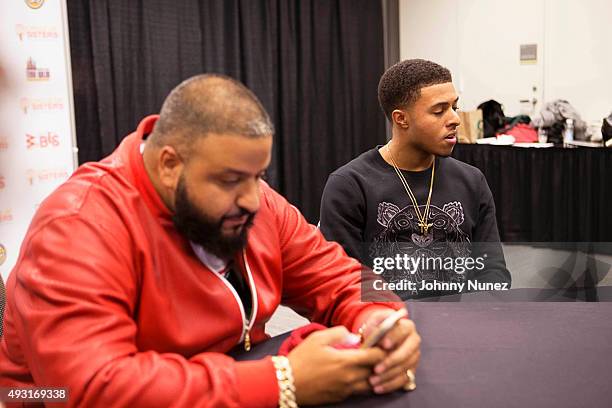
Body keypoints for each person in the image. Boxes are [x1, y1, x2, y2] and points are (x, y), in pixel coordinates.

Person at [0, 74, 420, 407]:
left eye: (258, 176)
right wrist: (280, 381)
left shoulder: (250, 199)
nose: (253, 199)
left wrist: (379, 320)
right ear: (169, 165)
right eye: (231, 180)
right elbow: (90, 389)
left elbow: (340, 276)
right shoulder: (78, 226)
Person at [320, 59, 511, 299]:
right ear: (401, 119)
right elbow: (344, 285)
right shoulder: (350, 186)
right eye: (439, 110)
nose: (454, 119)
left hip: (460, 326)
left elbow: (493, 274)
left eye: (455, 107)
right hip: (389, 328)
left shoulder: (472, 181)